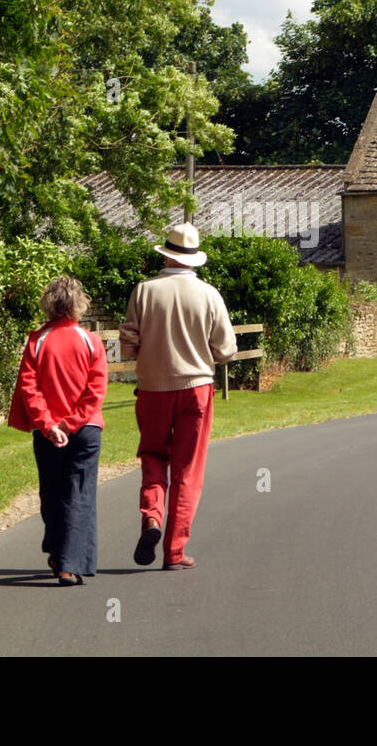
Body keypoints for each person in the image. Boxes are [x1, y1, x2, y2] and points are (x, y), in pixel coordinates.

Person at [121, 224, 237, 571]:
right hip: (196, 388)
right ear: (192, 259)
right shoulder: (209, 294)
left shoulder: (144, 291)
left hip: (153, 389)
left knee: (153, 456)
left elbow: (128, 343)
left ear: (167, 254)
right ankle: (174, 552)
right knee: (188, 469)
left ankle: (152, 519)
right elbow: (226, 350)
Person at [8, 276, 107, 585]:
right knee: (79, 494)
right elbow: (96, 388)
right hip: (86, 429)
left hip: (48, 432)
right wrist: (72, 422)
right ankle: (70, 561)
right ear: (79, 304)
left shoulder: (37, 341)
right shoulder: (91, 341)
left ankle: (62, 557)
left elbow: (29, 387)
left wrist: (50, 424)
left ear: (49, 304)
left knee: (51, 494)